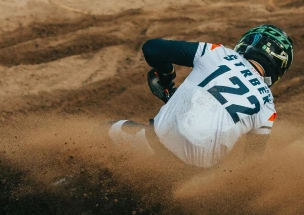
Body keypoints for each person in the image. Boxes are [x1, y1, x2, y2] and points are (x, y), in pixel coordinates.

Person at [109, 24, 293, 169]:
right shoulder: (267, 106)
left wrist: (166, 76)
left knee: (103, 133)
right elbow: (252, 162)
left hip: (154, 145)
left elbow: (151, 48)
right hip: (192, 177)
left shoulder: (218, 53)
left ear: (249, 42)